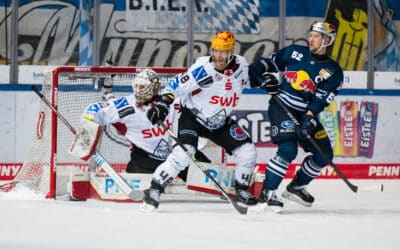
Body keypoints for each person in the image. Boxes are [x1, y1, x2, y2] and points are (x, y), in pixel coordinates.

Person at [142, 31, 259, 211]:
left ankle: (241, 190)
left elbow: (250, 81)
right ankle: (155, 189)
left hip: (220, 122)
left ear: (232, 52)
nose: (218, 56)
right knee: (184, 154)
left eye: (223, 52)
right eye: (215, 51)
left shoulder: (241, 65)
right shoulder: (203, 68)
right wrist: (163, 104)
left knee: (247, 151)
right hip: (193, 118)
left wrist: (263, 80)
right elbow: (175, 85)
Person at [248, 21, 344, 212]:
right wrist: (260, 75)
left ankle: (297, 187)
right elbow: (267, 63)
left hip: (304, 114)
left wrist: (309, 119)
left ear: (327, 40)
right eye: (311, 35)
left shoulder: (334, 72)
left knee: (323, 154)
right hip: (281, 107)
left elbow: (320, 99)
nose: (311, 39)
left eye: (317, 36)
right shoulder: (294, 52)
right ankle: (267, 191)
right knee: (287, 150)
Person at [70, 69, 189, 180]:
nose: (138, 90)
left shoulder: (170, 100)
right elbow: (93, 109)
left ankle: (108, 92)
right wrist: (86, 131)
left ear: (155, 88)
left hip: (177, 155)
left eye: (142, 87)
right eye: (136, 86)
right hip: (144, 159)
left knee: (202, 178)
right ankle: (107, 93)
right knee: (140, 187)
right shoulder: (127, 104)